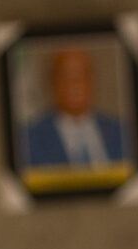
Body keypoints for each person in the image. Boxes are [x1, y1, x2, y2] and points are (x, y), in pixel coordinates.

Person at [21, 48, 131, 177]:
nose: (75, 83)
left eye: (82, 75)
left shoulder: (123, 132)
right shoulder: (28, 140)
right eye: (65, 76)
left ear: (93, 81)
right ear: (52, 83)